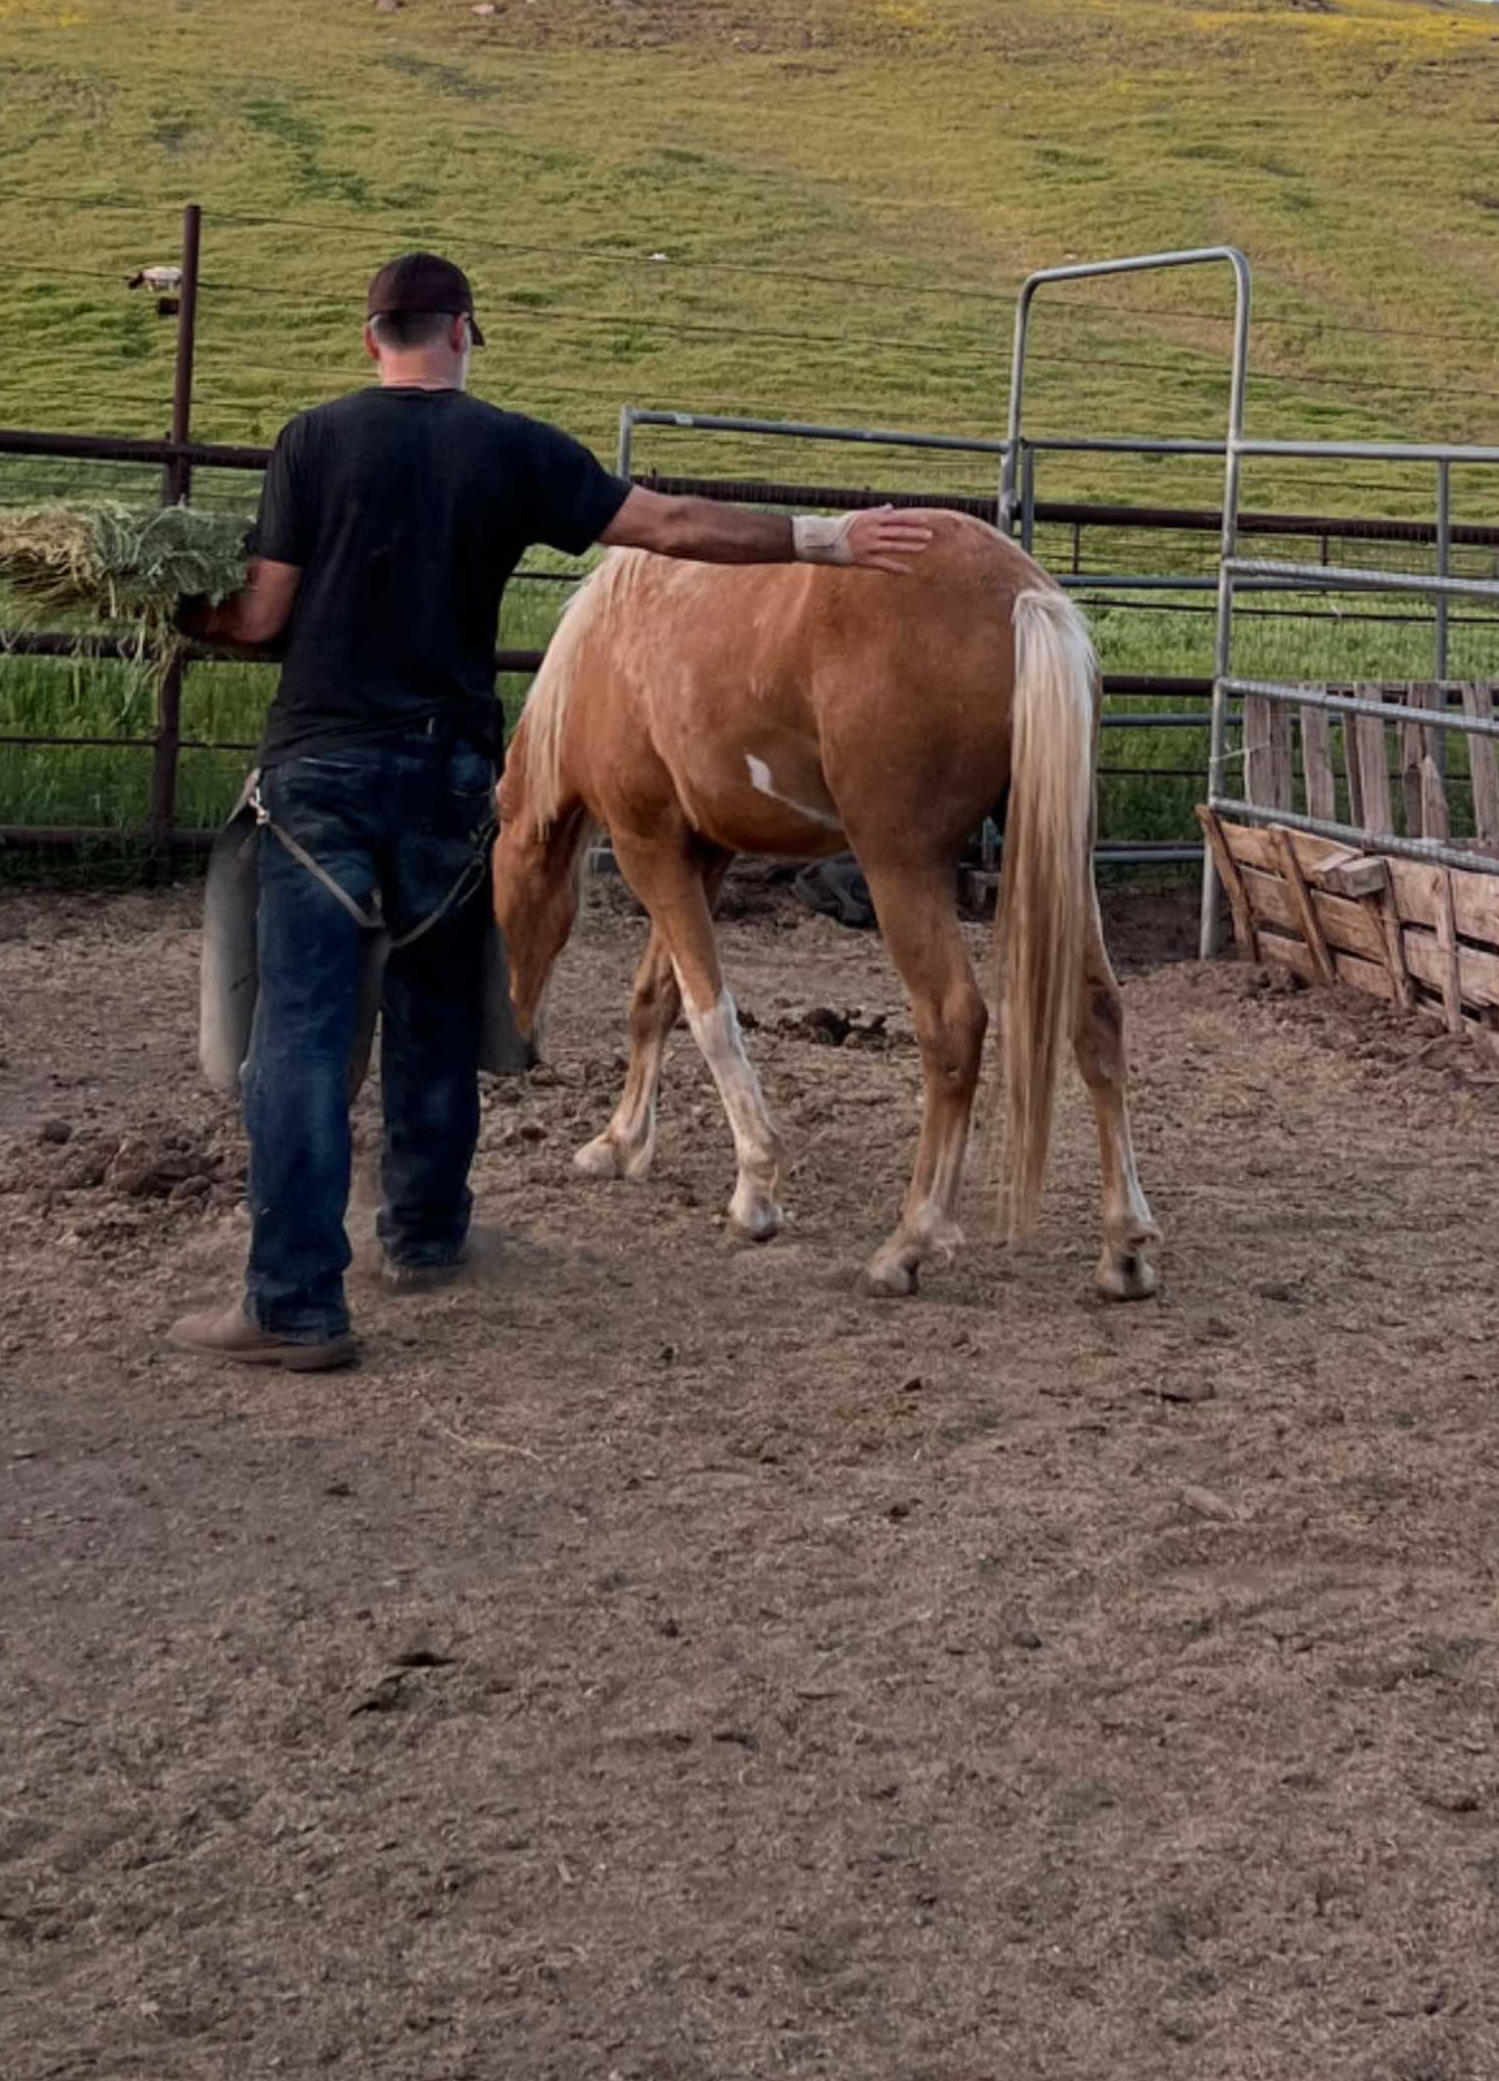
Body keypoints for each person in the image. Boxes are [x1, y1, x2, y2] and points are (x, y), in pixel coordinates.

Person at [181, 250, 938, 1369]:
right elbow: (673, 525)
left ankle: (293, 1301)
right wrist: (826, 539)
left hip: (322, 775)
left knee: (303, 1027)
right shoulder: (510, 447)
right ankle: (427, 1236)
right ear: (466, 332)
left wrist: (175, 609)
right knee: (437, 1010)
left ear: (369, 337)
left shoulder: (312, 441)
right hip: (447, 777)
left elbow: (259, 616)